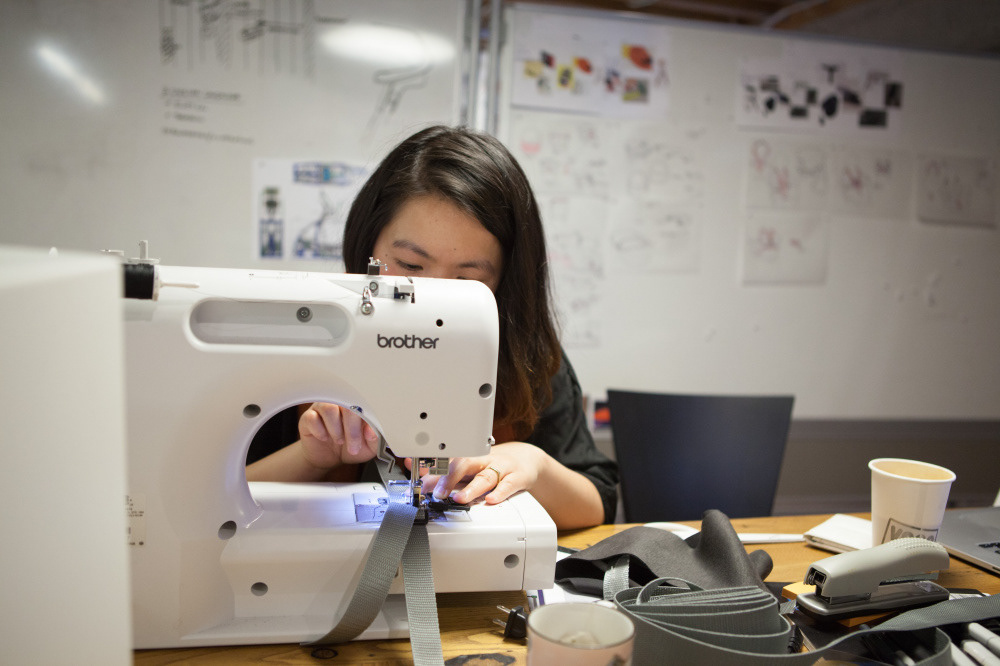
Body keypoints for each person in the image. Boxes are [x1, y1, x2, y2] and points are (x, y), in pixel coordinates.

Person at [246, 125, 617, 529]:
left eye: (466, 278)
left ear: (504, 280)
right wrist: (311, 457)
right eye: (409, 265)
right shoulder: (306, 346)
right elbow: (205, 501)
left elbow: (599, 504)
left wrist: (535, 465)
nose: (431, 295)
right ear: (367, 242)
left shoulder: (529, 361)